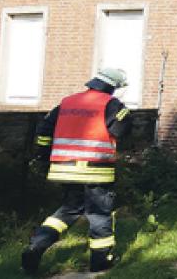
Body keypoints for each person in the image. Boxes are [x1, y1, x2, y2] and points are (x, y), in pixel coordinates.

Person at [22, 68, 132, 274]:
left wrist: (45, 157)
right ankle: (101, 261)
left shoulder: (66, 102)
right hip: (95, 170)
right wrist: (124, 116)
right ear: (113, 87)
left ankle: (37, 245)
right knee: (99, 213)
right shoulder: (111, 104)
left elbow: (44, 132)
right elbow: (120, 131)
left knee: (68, 210)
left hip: (64, 169)